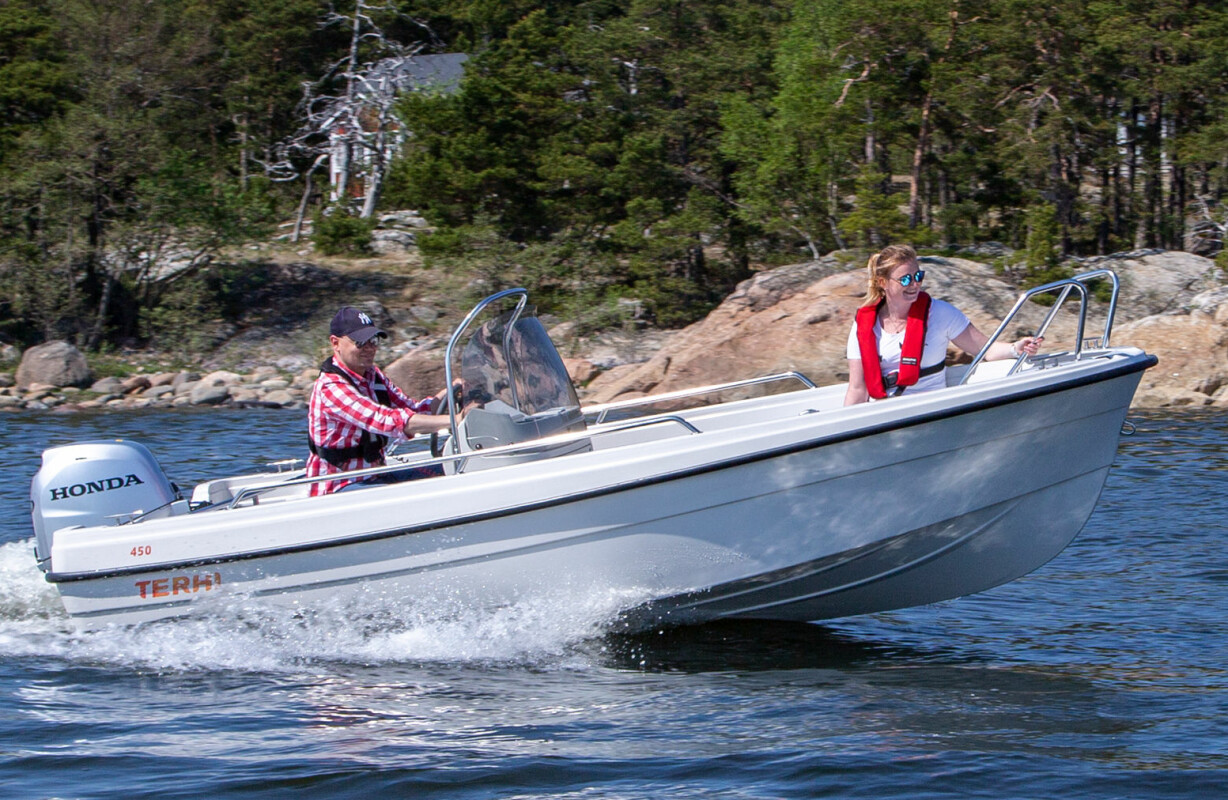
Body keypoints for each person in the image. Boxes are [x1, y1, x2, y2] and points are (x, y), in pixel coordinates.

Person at [844, 244, 1043, 405]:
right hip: (885, 414)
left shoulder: (940, 313)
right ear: (883, 283)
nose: (914, 284)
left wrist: (1017, 348)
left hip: (930, 409)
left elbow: (986, 350)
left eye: (918, 276)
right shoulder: (864, 326)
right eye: (905, 279)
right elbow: (857, 389)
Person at [306, 306, 453, 495]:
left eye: (373, 341)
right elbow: (385, 420)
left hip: (375, 476)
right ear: (335, 343)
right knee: (409, 496)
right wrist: (454, 420)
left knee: (449, 470)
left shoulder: (373, 376)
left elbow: (413, 409)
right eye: (360, 342)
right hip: (339, 487)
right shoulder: (331, 387)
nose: (369, 348)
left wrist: (454, 393)